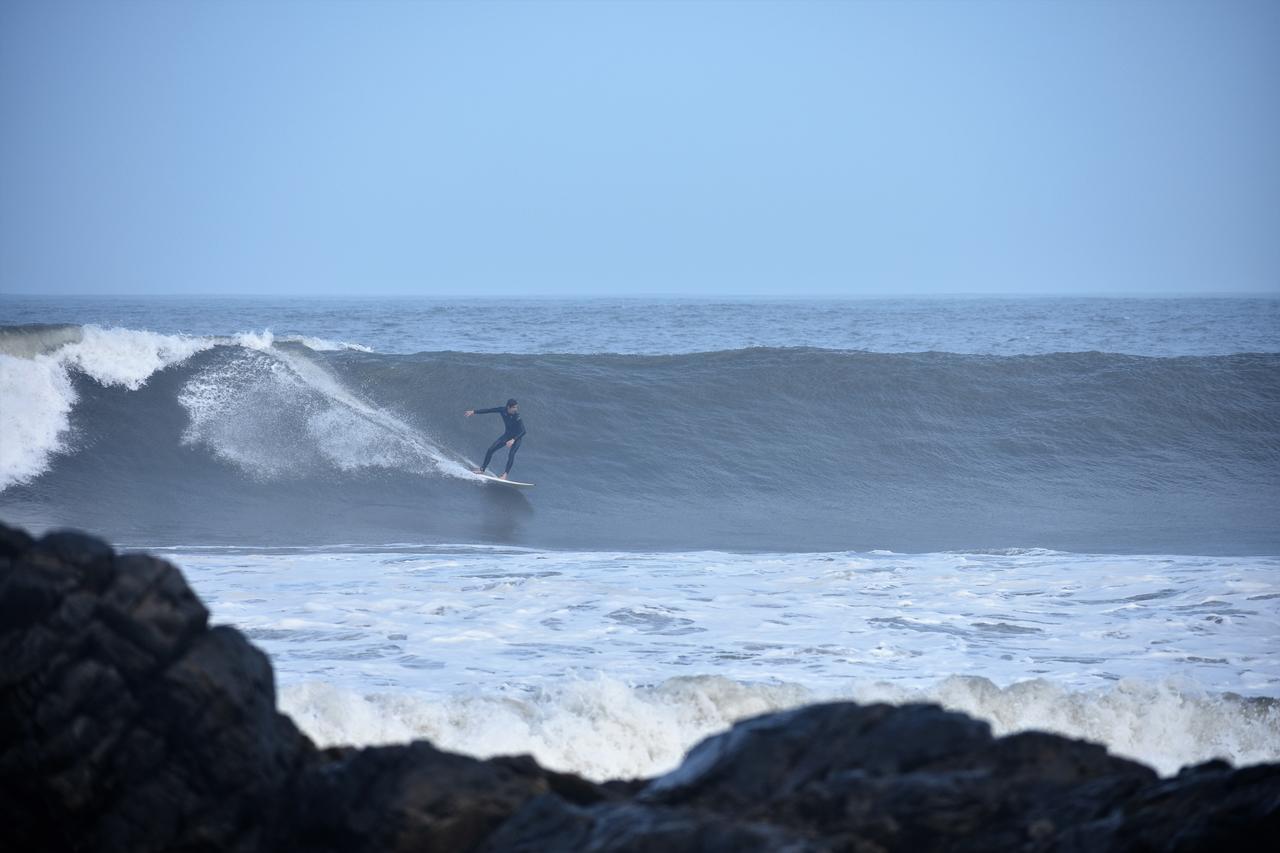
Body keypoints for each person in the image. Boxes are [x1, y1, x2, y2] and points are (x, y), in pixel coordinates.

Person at [464, 398, 526, 479]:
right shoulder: (502, 410)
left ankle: (505, 475)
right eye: (514, 407)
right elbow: (489, 410)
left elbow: (523, 431)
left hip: (517, 438)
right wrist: (474, 411)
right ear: (508, 407)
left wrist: (513, 440)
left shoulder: (517, 416)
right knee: (490, 450)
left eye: (516, 407)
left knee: (511, 455)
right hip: (507, 436)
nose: (516, 409)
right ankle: (482, 469)